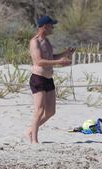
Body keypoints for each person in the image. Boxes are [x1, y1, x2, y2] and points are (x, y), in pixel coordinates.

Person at [25, 16, 74, 144]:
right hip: (38, 78)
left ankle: (30, 130)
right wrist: (58, 62)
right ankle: (34, 140)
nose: (53, 28)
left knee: (51, 111)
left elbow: (51, 57)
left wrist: (65, 54)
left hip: (48, 79)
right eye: (51, 25)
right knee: (39, 109)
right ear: (45, 26)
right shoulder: (34, 42)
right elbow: (39, 61)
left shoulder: (47, 41)